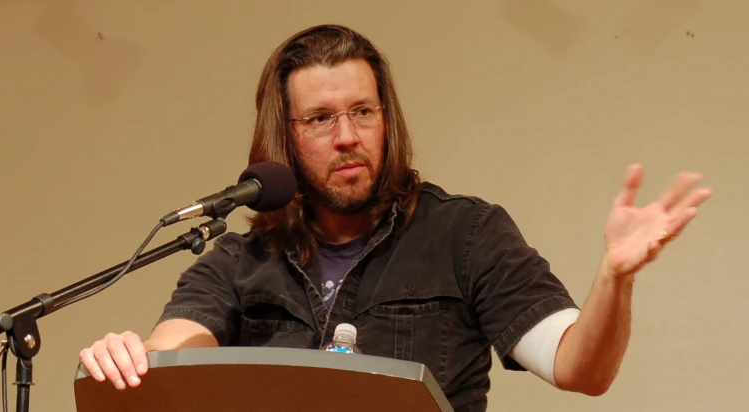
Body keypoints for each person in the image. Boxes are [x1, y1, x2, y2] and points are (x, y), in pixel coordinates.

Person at [77, 24, 712, 410]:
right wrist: (131, 358)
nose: (348, 135)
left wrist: (617, 275)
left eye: (364, 112)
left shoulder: (467, 234)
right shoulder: (241, 261)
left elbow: (582, 369)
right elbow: (176, 353)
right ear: (286, 137)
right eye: (321, 119)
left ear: (388, 120)